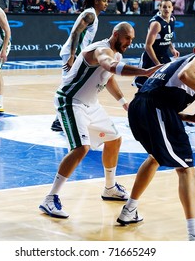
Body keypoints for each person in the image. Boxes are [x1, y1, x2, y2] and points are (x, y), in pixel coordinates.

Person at [39, 22, 162, 219]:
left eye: (132, 39)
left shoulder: (117, 52)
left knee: (114, 139)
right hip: (71, 101)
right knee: (81, 148)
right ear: (115, 34)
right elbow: (109, 65)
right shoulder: (100, 50)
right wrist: (145, 72)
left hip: (91, 104)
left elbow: (108, 77)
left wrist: (123, 102)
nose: (130, 42)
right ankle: (50, 198)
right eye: (127, 38)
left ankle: (110, 187)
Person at [116, 35, 195, 241]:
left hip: (140, 107)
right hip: (154, 107)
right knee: (186, 169)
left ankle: (129, 210)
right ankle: (194, 234)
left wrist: (193, 117)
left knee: (155, 157)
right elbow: (187, 75)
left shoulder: (177, 60)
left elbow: (164, 101)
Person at [50, 0, 108, 132]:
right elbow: (76, 32)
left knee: (71, 84)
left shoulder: (92, 14)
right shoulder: (90, 15)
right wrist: (72, 56)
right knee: (67, 85)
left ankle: (63, 118)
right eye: (104, 1)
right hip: (73, 54)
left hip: (76, 54)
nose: (106, 3)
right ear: (96, 2)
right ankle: (58, 120)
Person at [134, 0, 179, 89]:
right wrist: (157, 64)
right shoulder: (156, 24)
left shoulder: (173, 19)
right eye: (164, 7)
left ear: (172, 8)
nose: (167, 9)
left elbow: (167, 36)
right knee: (143, 86)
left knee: (168, 81)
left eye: (169, 7)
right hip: (151, 57)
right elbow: (147, 46)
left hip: (163, 55)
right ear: (160, 8)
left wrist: (172, 49)